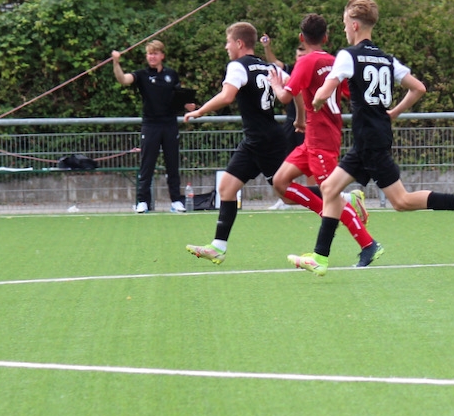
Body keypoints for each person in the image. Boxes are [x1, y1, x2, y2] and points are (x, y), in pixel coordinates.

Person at [287, 0, 454, 277]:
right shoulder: (386, 59)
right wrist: (393, 112)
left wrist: (318, 99)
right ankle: (320, 257)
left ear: (355, 25)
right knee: (330, 189)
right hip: (372, 137)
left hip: (369, 141)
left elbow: (327, 87)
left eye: (346, 23)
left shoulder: (349, 55)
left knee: (401, 201)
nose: (345, 28)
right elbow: (418, 88)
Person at [268, 13, 382, 268]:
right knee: (280, 182)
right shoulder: (334, 62)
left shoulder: (306, 62)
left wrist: (276, 84)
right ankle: (338, 206)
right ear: (326, 38)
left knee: (331, 196)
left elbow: (286, 97)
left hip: (322, 140)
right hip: (313, 139)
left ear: (301, 38)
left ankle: (368, 244)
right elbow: (348, 93)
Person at [183, 22, 288, 264]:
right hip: (258, 139)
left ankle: (341, 199)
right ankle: (218, 247)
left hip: (264, 141)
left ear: (239, 43)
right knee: (227, 188)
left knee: (288, 194)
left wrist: (200, 111)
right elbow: (295, 88)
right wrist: (300, 117)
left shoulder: (237, 66)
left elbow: (227, 96)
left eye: (228, 42)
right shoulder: (270, 66)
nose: (226, 47)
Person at [112, 41, 195, 214]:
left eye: (155, 53)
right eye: (150, 54)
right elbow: (123, 79)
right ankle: (143, 202)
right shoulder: (141, 75)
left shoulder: (171, 74)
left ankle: (176, 201)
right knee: (147, 165)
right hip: (151, 125)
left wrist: (188, 105)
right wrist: (116, 62)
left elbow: (179, 97)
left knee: (172, 165)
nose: (152, 57)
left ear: (162, 56)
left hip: (170, 124)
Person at [261, 35, 308, 209]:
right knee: (285, 158)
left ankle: (314, 195)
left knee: (310, 162)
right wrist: (267, 47)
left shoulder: (312, 70)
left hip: (307, 122)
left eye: (303, 56)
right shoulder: (292, 71)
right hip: (291, 122)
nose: (300, 58)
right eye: (298, 56)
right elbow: (274, 63)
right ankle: (285, 197)